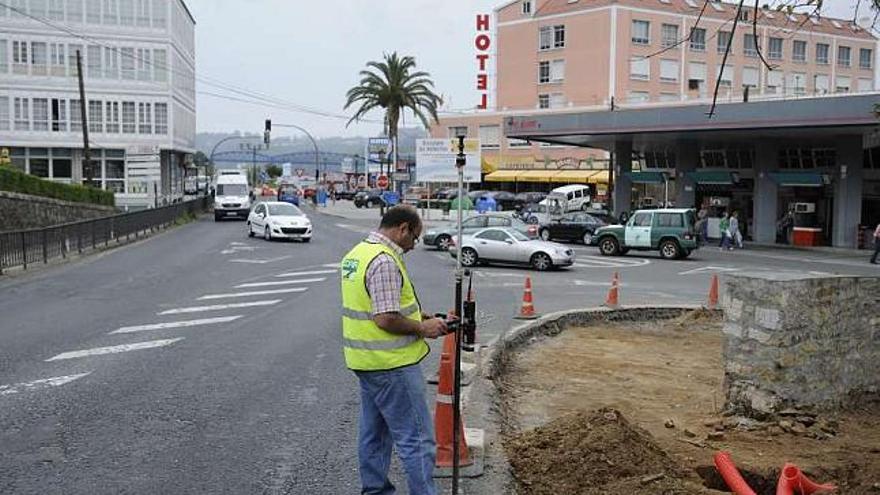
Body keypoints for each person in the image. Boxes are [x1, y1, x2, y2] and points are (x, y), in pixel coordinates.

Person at [340, 205, 447, 495]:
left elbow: (371, 305)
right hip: (392, 365)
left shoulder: (358, 254)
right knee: (417, 440)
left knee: (374, 435)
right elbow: (385, 317)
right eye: (415, 237)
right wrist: (422, 329)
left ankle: (375, 490)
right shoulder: (384, 260)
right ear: (402, 228)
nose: (414, 245)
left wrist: (419, 318)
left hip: (366, 362)